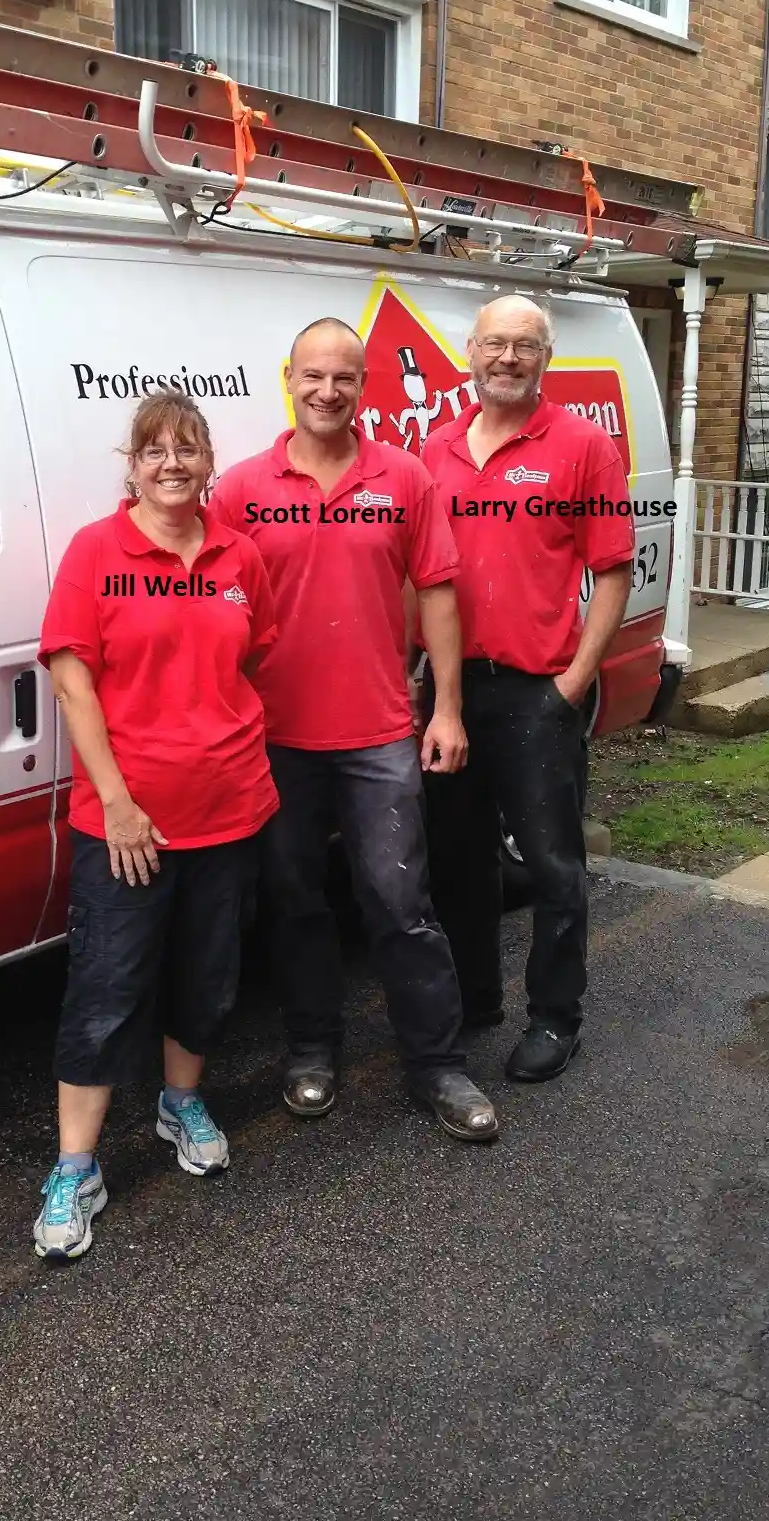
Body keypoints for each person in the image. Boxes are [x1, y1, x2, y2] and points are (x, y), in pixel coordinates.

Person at [208, 317, 497, 1142]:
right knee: (297, 902)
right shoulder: (240, 488)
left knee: (400, 901)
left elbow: (438, 591)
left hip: (377, 732)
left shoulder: (403, 478)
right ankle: (312, 1050)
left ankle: (437, 1066)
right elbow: (204, 596)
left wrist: (445, 708)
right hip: (276, 738)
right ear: (287, 379)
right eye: (312, 376)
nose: (326, 391)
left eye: (342, 378)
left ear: (362, 386)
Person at [32, 391, 280, 1260]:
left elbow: (251, 660)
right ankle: (75, 1167)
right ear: (131, 464)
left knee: (209, 979)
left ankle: (181, 1102)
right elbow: (73, 682)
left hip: (231, 807)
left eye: (188, 447)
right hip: (127, 824)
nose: (172, 463)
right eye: (154, 450)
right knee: (105, 994)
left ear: (210, 460)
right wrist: (121, 802)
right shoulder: (98, 552)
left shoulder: (239, 556)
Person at [420, 295, 635, 1082]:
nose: (507, 359)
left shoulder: (582, 447)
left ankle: (556, 1017)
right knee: (459, 859)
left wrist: (572, 683)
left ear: (546, 358)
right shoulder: (435, 450)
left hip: (537, 693)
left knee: (551, 865)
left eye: (524, 347)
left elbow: (612, 570)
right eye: (494, 345)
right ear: (469, 354)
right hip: (447, 691)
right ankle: (476, 999)